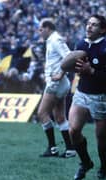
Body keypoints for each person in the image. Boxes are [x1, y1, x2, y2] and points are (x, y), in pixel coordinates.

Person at [67, 15, 106, 180]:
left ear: (102, 29)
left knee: (101, 138)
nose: (89, 27)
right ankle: (85, 163)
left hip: (102, 97)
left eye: (94, 25)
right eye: (88, 24)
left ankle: (104, 169)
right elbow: (74, 66)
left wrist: (92, 71)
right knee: (73, 131)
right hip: (82, 92)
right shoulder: (80, 45)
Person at [37, 18, 76, 158]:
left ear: (47, 28)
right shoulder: (52, 40)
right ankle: (70, 149)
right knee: (59, 117)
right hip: (60, 82)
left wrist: (61, 73)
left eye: (41, 29)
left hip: (56, 83)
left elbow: (70, 57)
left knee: (42, 113)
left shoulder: (55, 39)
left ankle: (52, 148)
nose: (39, 32)